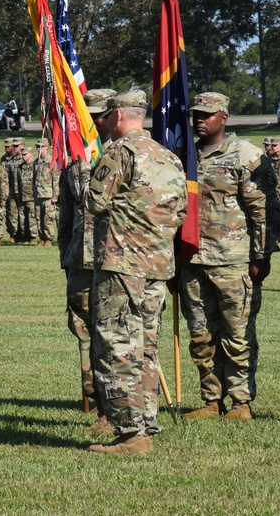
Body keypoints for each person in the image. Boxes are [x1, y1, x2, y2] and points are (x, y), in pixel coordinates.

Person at [85, 90, 188, 454]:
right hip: (157, 267)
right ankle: (145, 423)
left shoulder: (119, 152)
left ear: (117, 116)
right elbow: (181, 212)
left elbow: (95, 199)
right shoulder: (169, 157)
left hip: (121, 265)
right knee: (145, 348)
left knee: (117, 347)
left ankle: (132, 433)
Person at [180, 93, 276, 422]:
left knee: (237, 336)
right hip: (193, 262)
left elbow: (262, 211)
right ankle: (211, 400)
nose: (199, 120)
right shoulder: (184, 156)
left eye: (207, 114)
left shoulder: (244, 156)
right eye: (196, 114)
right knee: (201, 337)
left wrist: (261, 256)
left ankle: (240, 402)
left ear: (224, 117)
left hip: (234, 262)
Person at [57, 87, 115, 432]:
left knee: (114, 331)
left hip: (114, 258)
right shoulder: (75, 158)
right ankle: (94, 397)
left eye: (96, 116)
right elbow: (67, 213)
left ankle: (118, 402)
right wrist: (66, 254)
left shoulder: (125, 154)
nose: (90, 122)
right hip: (80, 259)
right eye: (85, 115)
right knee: (83, 330)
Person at [33, 139, 60, 246]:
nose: (38, 149)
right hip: (38, 194)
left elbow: (56, 179)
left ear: (46, 148)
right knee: (38, 218)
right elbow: (34, 178)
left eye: (41, 147)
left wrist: (55, 195)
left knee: (48, 218)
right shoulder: (36, 162)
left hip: (48, 195)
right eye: (37, 147)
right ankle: (42, 238)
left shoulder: (51, 161)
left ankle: (49, 239)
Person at [15, 146, 38, 244]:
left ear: (31, 154)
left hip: (32, 196)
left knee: (32, 217)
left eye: (25, 155)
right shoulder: (20, 167)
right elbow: (17, 181)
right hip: (22, 195)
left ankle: (33, 237)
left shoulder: (36, 165)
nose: (23, 157)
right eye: (22, 155)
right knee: (22, 217)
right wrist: (17, 193)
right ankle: (25, 237)